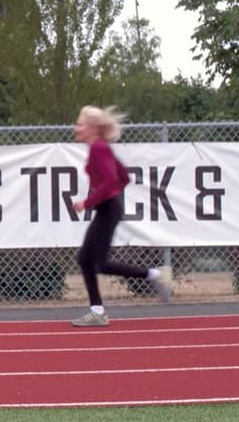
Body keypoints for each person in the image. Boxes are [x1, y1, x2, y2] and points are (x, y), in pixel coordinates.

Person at [70, 105, 171, 327]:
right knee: (86, 260)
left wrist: (87, 202)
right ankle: (97, 311)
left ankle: (155, 274)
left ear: (93, 128)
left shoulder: (99, 148)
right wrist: (109, 196)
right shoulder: (100, 147)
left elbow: (111, 182)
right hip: (108, 207)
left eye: (80, 124)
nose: (77, 128)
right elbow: (123, 177)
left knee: (98, 263)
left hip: (107, 208)